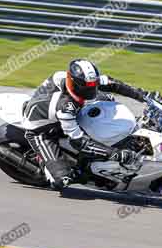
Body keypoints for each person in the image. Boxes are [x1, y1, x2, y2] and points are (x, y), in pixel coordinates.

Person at [21, 59, 153, 189]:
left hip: (58, 110)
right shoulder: (65, 108)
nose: (91, 92)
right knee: (62, 181)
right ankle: (43, 161)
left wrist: (145, 96)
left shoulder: (80, 81)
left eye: (92, 87)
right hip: (41, 131)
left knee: (108, 99)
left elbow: (115, 85)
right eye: (86, 89)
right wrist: (115, 154)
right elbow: (79, 142)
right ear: (74, 84)